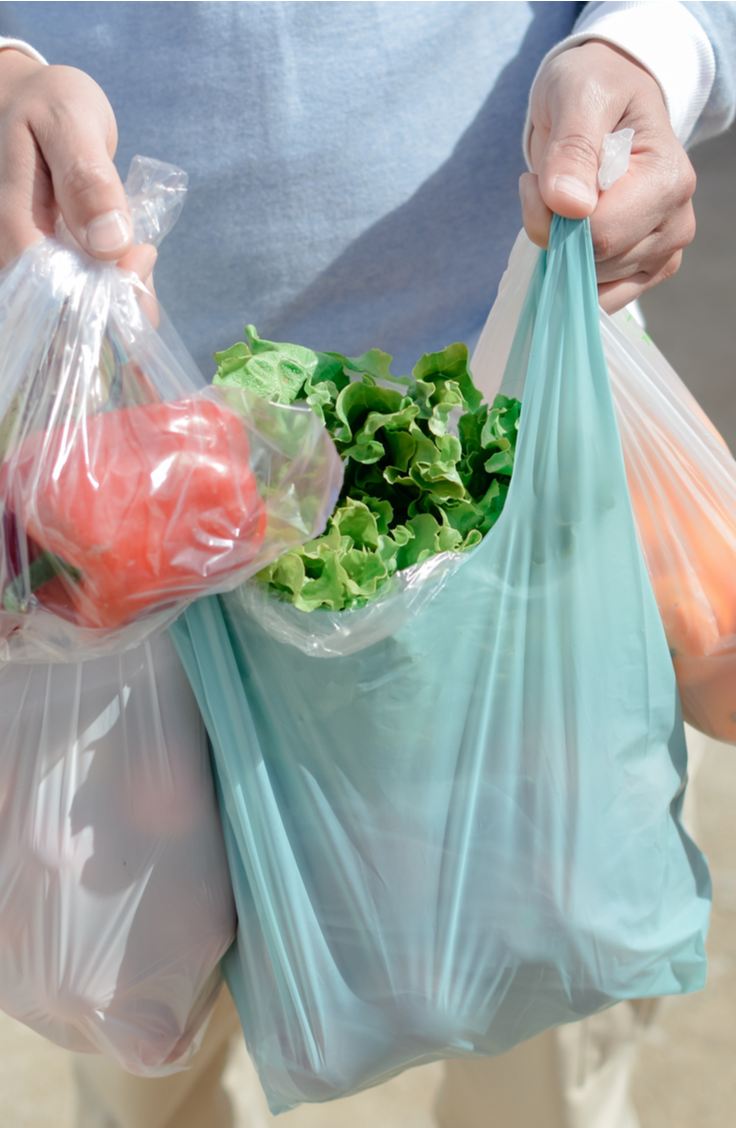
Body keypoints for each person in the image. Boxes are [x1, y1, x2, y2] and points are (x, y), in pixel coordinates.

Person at [0, 3, 733, 1127]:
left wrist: (646, 44)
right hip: (122, 493)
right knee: (139, 1028)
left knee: (542, 1029)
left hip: (506, 447)